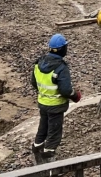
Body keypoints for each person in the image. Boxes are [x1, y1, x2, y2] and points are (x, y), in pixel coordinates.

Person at [31, 33, 81, 164]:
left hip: (43, 103)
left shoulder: (39, 63)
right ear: (62, 49)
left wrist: (44, 93)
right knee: (54, 133)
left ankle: (37, 153)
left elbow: (34, 82)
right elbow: (65, 90)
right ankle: (50, 165)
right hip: (56, 106)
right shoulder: (60, 67)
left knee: (43, 128)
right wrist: (75, 96)